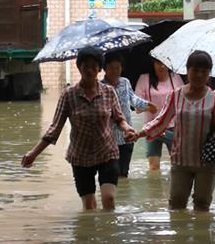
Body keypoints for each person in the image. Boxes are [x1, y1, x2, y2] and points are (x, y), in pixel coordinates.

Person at [22, 47, 136, 211]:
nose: (89, 70)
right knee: (89, 206)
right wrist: (33, 153)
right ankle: (90, 235)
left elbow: (119, 118)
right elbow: (55, 128)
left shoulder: (108, 92)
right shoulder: (69, 95)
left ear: (99, 68)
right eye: (85, 66)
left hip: (107, 153)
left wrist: (127, 129)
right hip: (81, 157)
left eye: (94, 66)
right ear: (79, 67)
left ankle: (109, 234)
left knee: (109, 199)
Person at [127, 50, 215, 212]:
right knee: (176, 205)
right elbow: (161, 121)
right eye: (195, 70)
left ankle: (200, 236)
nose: (200, 75)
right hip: (181, 161)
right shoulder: (176, 95)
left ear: (209, 74)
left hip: (207, 162)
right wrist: (139, 134)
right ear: (187, 71)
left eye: (204, 72)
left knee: (202, 206)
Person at [102, 53, 156, 179]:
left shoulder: (125, 82)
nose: (115, 71)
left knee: (123, 173)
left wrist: (147, 105)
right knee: (111, 173)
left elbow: (133, 99)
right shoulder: (100, 87)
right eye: (111, 67)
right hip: (108, 139)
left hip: (127, 135)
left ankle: (121, 197)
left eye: (118, 67)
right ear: (104, 68)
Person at [134, 58, 185, 172]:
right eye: (158, 63)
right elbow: (136, 105)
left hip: (173, 128)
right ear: (153, 64)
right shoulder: (144, 79)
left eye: (164, 64)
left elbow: (183, 101)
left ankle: (172, 189)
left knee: (177, 166)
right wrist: (148, 107)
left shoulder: (175, 78)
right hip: (151, 127)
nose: (162, 67)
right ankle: (154, 189)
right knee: (153, 167)